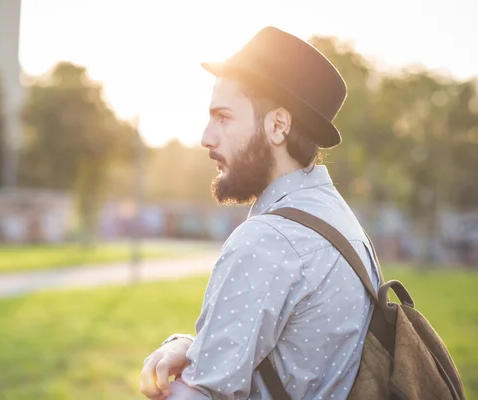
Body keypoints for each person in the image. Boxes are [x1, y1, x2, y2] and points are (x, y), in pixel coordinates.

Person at [140, 26, 381, 400]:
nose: (206, 136)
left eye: (223, 117)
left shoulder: (269, 240)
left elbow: (204, 394)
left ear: (278, 125)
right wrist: (189, 345)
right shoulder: (345, 227)